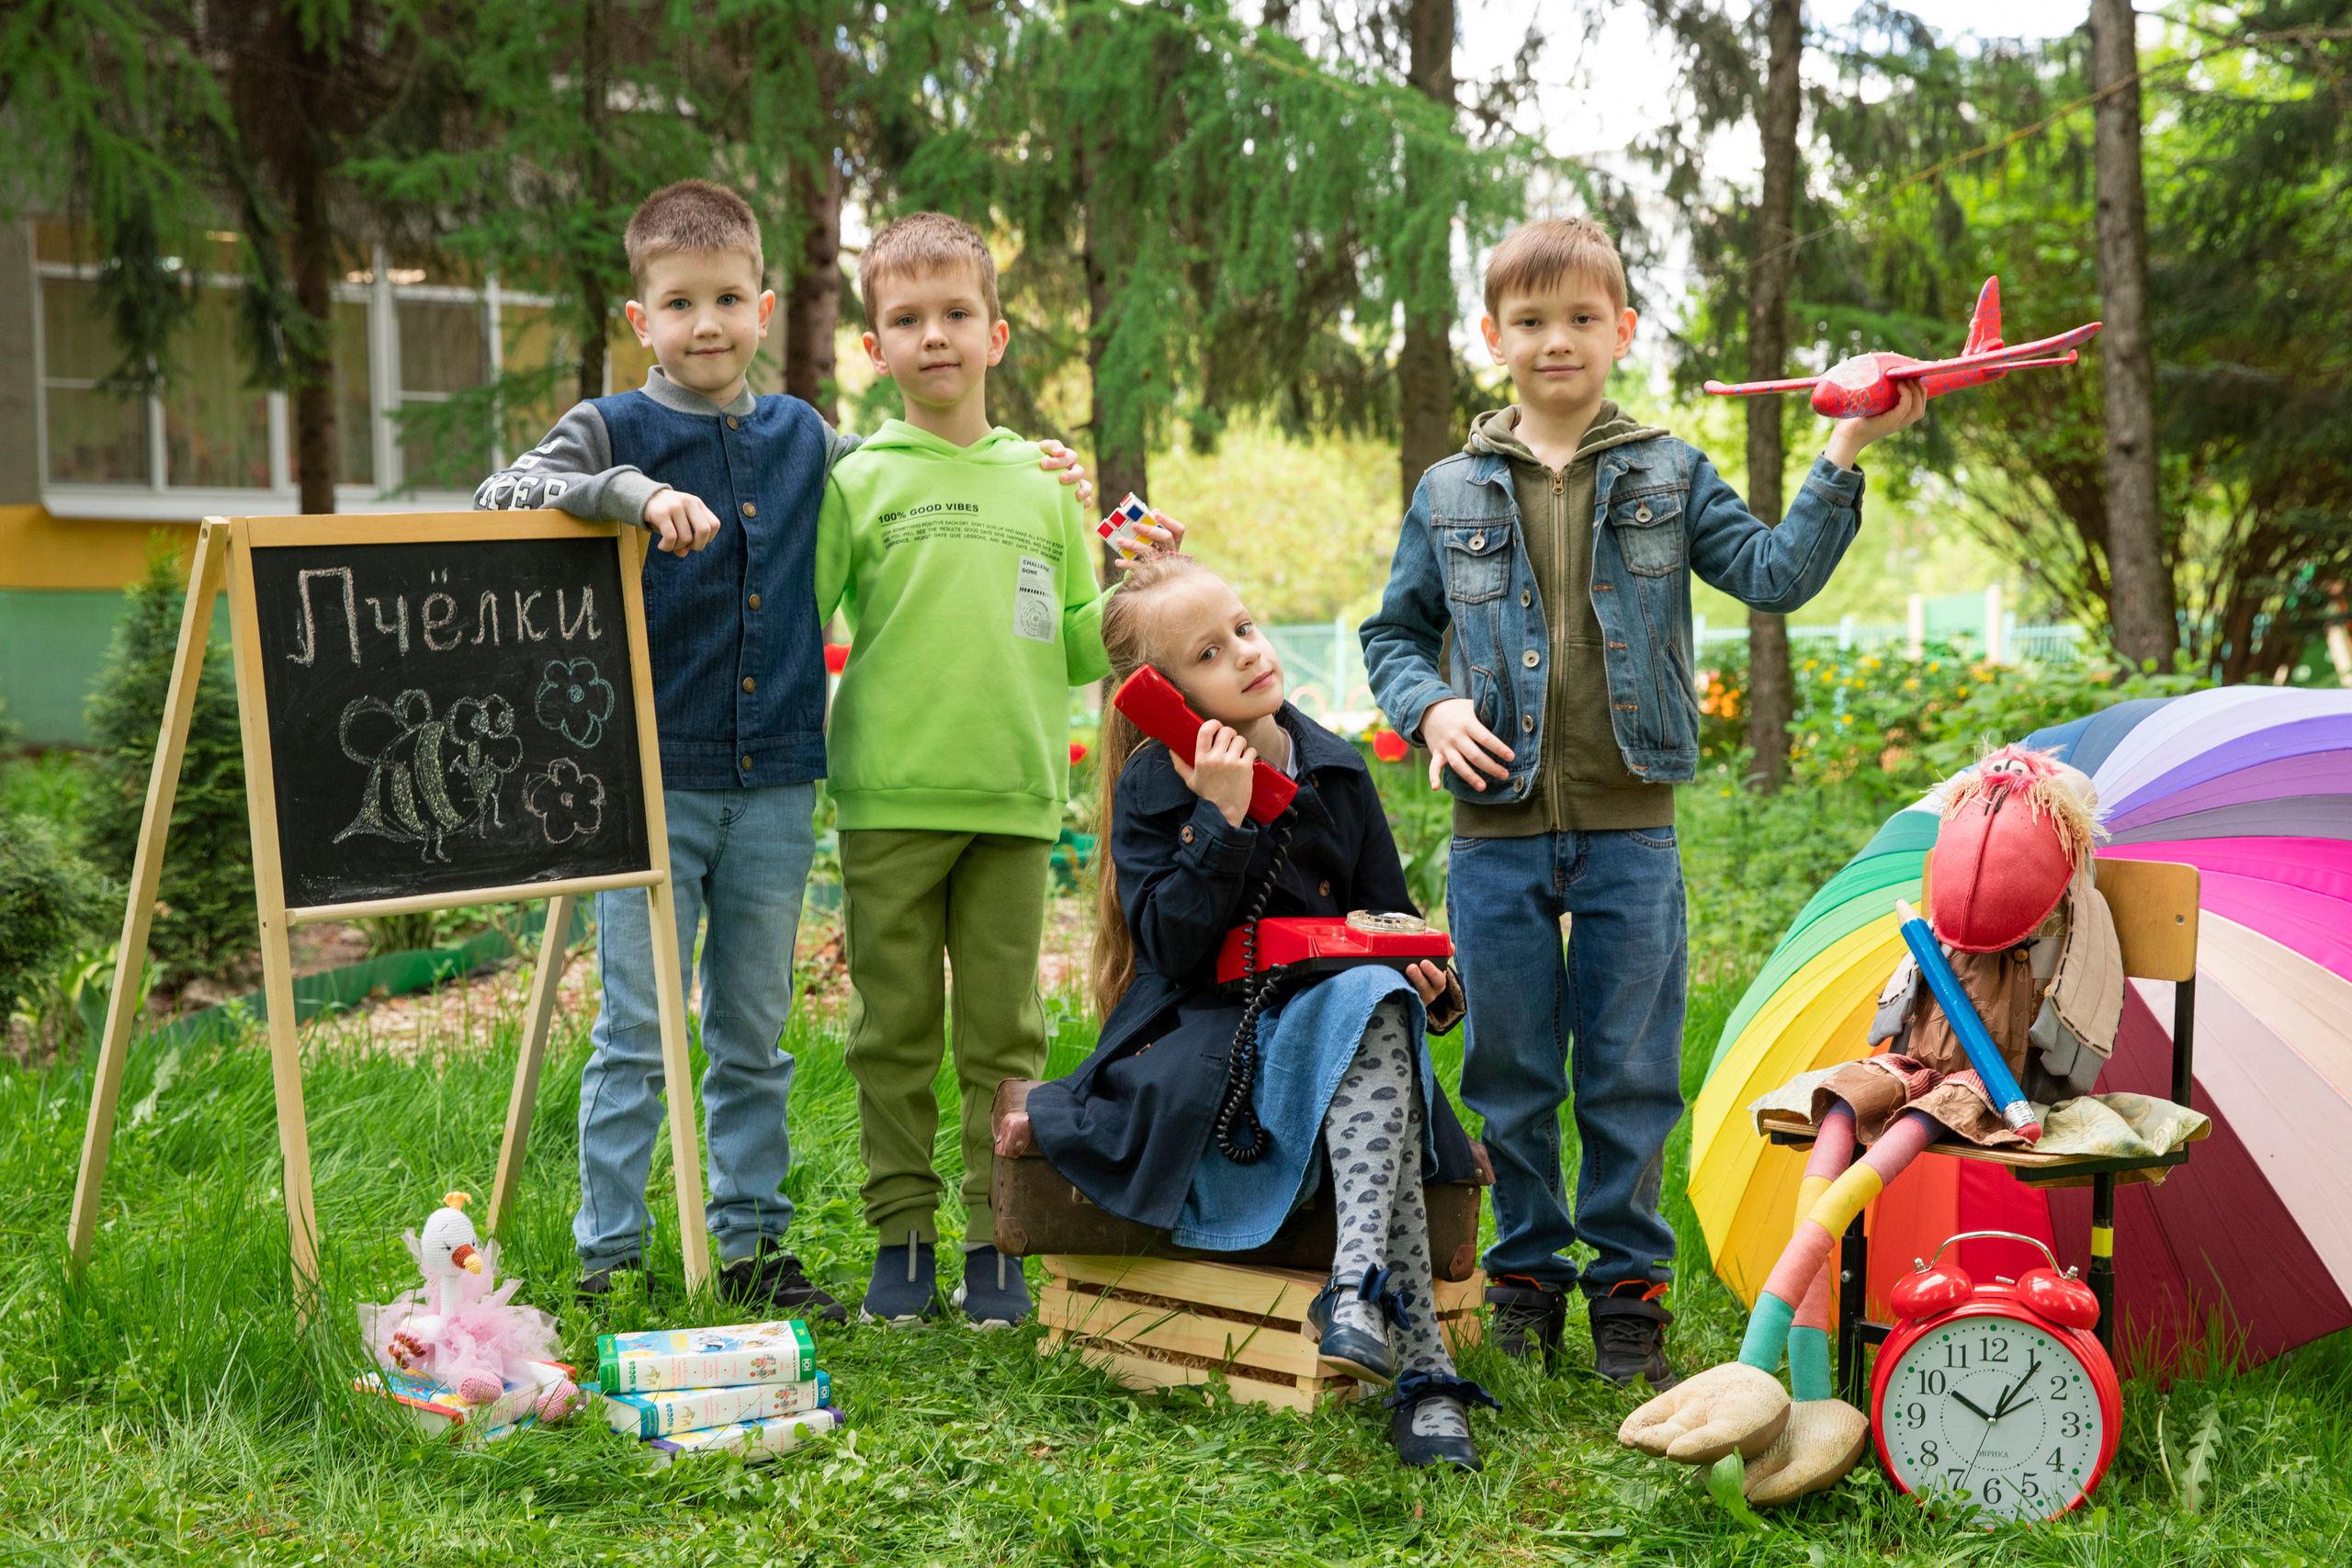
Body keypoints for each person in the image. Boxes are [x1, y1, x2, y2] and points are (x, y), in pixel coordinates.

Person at [472, 181, 1092, 1316]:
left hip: (775, 787)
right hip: (649, 781)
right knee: (636, 1030)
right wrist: (633, 493)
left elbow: (928, 462)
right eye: (677, 304)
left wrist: (1037, 467)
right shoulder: (613, 429)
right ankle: (609, 1253)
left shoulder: (806, 438)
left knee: (751, 1034)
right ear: (639, 317)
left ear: (762, 307)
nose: (704, 326)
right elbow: (500, 491)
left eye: (725, 300)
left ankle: (755, 1243)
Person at [1360, 217, 1926, 1387]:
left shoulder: (1668, 471)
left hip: (1630, 829)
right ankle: (1524, 1285)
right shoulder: (1449, 487)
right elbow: (1394, 632)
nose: (1554, 340)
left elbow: (1775, 574)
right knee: (1510, 1071)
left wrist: (1847, 452)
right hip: (1495, 832)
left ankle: (1627, 1296)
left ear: (1622, 330)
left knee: (1625, 1070)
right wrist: (1427, 709)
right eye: (1530, 321)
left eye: (1579, 319)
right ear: (1491, 336)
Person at [1012, 554, 1499, 1471]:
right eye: (1206, 653)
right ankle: (1424, 1372)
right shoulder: (1163, 785)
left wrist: (1433, 975)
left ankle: (1356, 1288)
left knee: (1384, 994)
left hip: (1344, 1025)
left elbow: (1387, 917)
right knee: (1374, 1011)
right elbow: (1171, 950)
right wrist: (1222, 823)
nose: (1244, 654)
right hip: (1210, 1042)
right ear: (1162, 693)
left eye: (1242, 627)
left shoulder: (1337, 771)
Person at [813, 212, 1178, 1329]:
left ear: (998, 334)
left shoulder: (1042, 488)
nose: (935, 338)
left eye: (956, 316)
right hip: (885, 798)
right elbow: (799, 625)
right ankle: (902, 1240)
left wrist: (1140, 590)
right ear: (874, 348)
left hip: (1016, 802)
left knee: (1005, 1035)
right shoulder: (855, 483)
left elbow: (1077, 645)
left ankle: (996, 1239)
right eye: (907, 321)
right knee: (892, 1029)